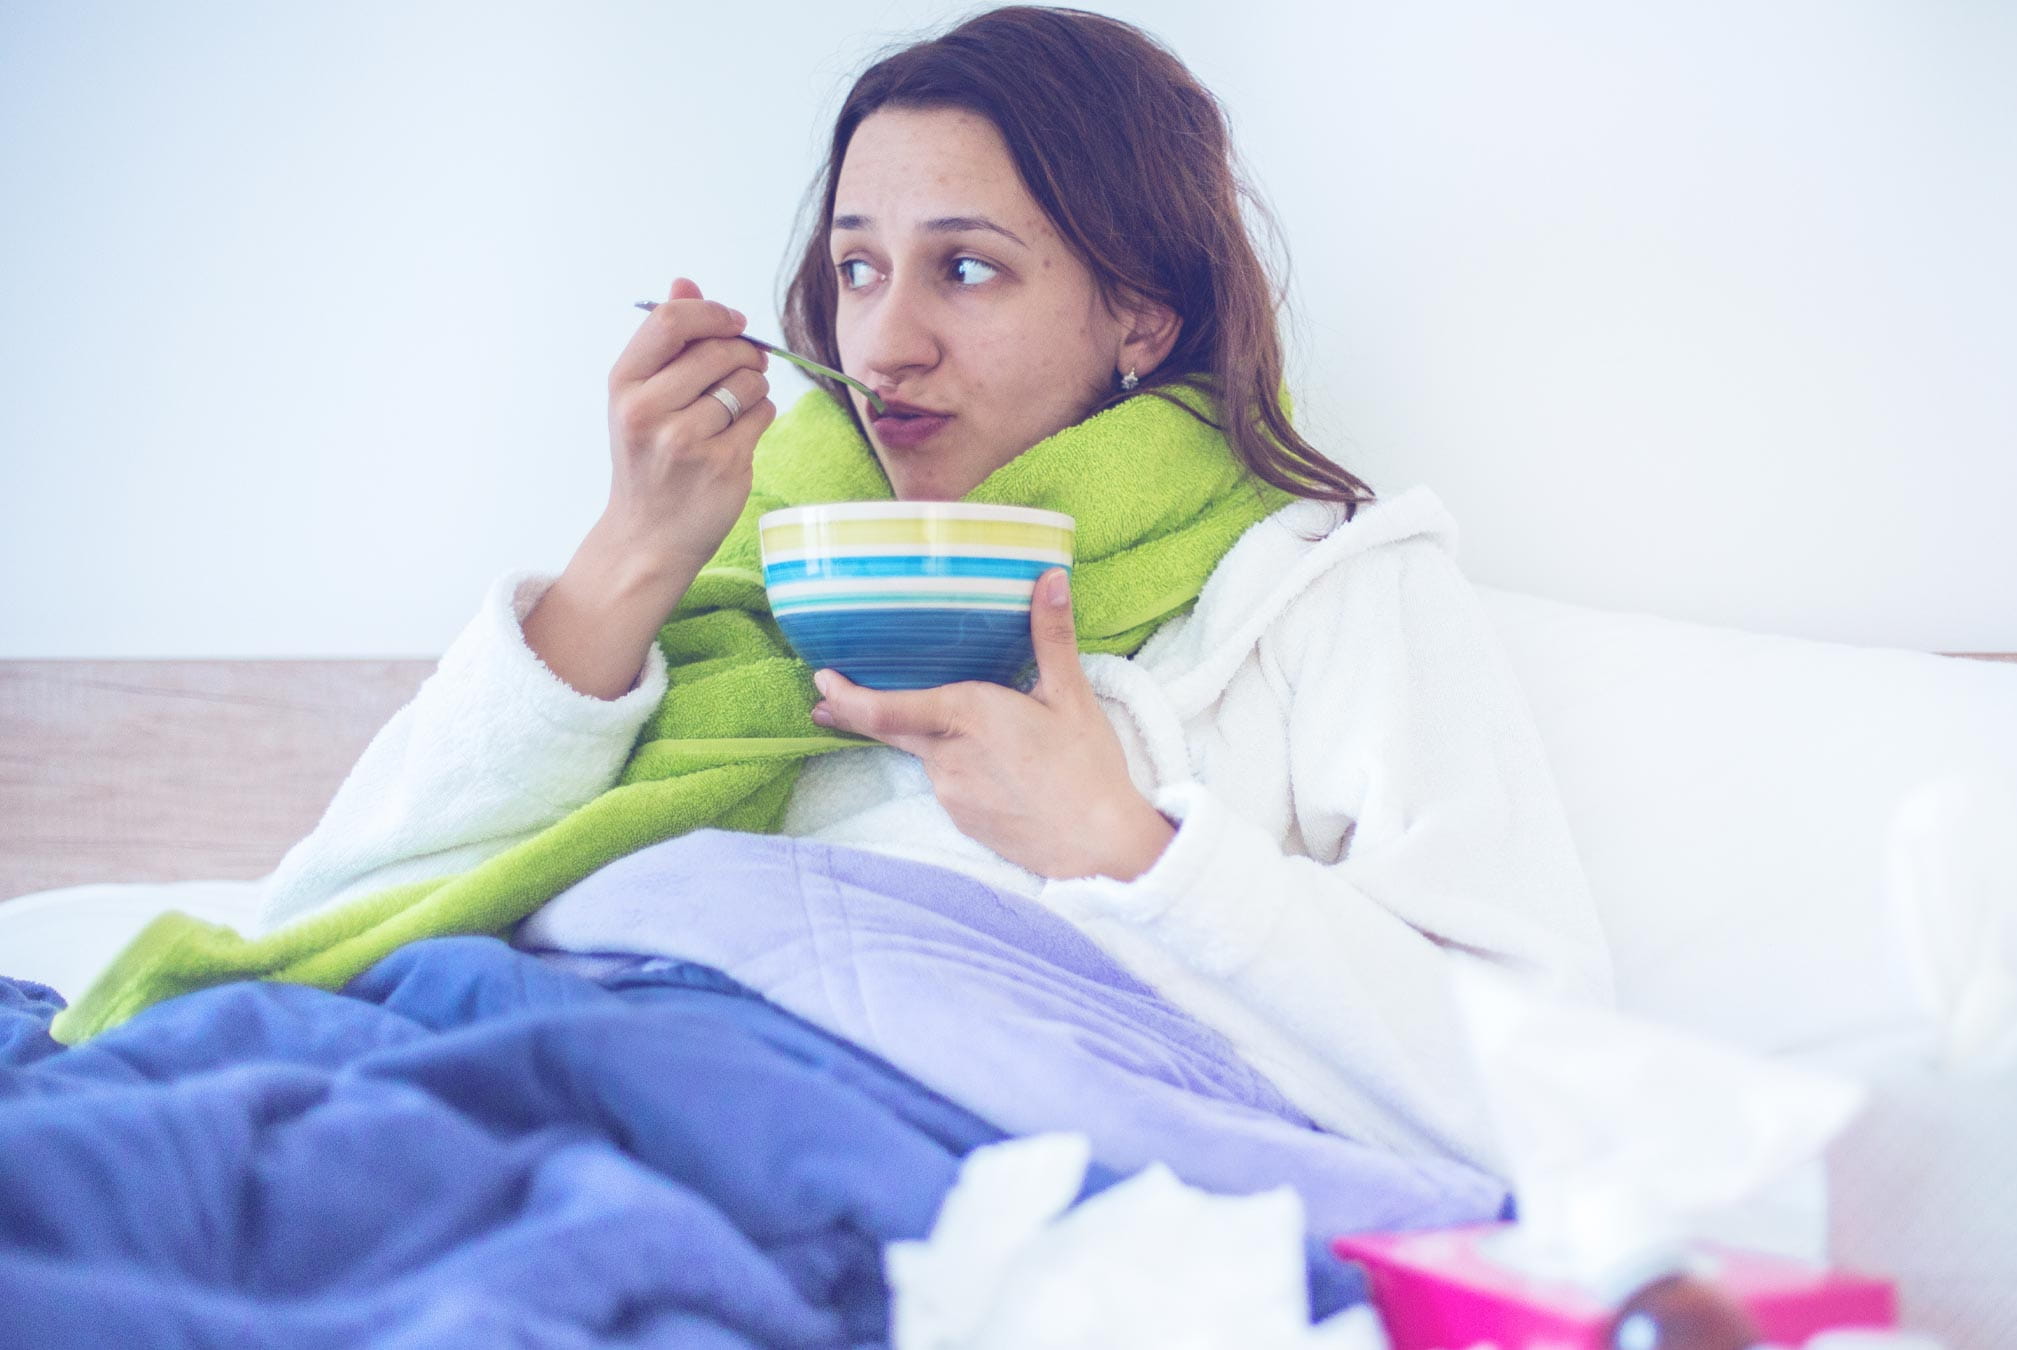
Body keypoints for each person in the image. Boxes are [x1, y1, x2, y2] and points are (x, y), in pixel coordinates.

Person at [256, 5, 1610, 1188]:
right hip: (541, 1053)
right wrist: (630, 556)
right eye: (858, 268)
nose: (885, 342)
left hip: (838, 1143)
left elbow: (1548, 1096)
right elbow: (322, 920)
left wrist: (1127, 844)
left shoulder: (1322, 583)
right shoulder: (743, 559)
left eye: (966, 267)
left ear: (1142, 312)